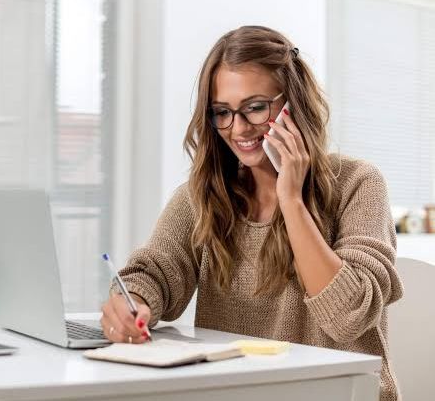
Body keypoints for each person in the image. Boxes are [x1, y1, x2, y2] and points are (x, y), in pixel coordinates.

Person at [99, 25, 403, 401]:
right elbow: (155, 271)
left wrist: (290, 198)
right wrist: (134, 304)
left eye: (256, 107)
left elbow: (348, 316)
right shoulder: (206, 196)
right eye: (222, 112)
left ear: (295, 102)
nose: (238, 128)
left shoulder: (358, 183)